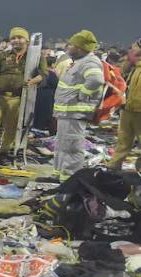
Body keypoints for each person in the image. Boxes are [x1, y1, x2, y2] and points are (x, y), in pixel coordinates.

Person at [0, 27, 47, 157]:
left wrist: (32, 81)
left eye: (19, 38)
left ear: (27, 40)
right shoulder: (2, 56)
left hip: (17, 98)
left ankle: (4, 151)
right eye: (13, 38)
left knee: (11, 127)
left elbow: (43, 74)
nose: (16, 41)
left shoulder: (35, 57)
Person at [53, 30, 104, 178]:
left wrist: (83, 94)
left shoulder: (90, 62)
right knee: (62, 146)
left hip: (75, 112)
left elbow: (96, 80)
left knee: (72, 147)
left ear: (80, 48)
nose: (68, 47)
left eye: (71, 45)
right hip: (67, 113)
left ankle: (70, 179)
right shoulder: (80, 62)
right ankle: (59, 175)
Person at [108, 39, 141, 171]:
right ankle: (113, 168)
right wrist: (129, 60)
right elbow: (119, 74)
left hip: (138, 111)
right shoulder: (134, 67)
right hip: (128, 110)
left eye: (134, 50)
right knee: (123, 141)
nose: (131, 52)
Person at [33, 56, 59, 134]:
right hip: (47, 97)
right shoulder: (51, 74)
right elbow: (56, 85)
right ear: (52, 64)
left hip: (37, 95)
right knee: (46, 114)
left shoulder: (36, 72)